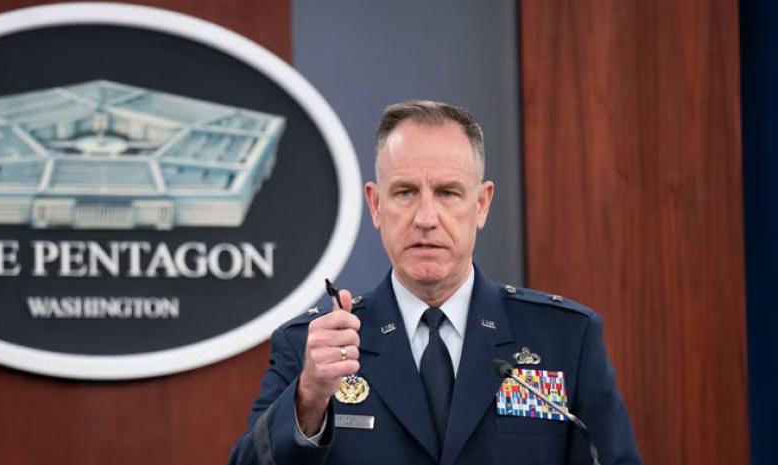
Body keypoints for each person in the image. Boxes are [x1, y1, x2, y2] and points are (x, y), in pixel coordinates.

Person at [228, 101, 642, 465]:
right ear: (375, 205)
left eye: (447, 193)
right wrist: (308, 399)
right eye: (406, 192)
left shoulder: (565, 340)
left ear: (481, 205)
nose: (426, 218)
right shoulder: (312, 347)